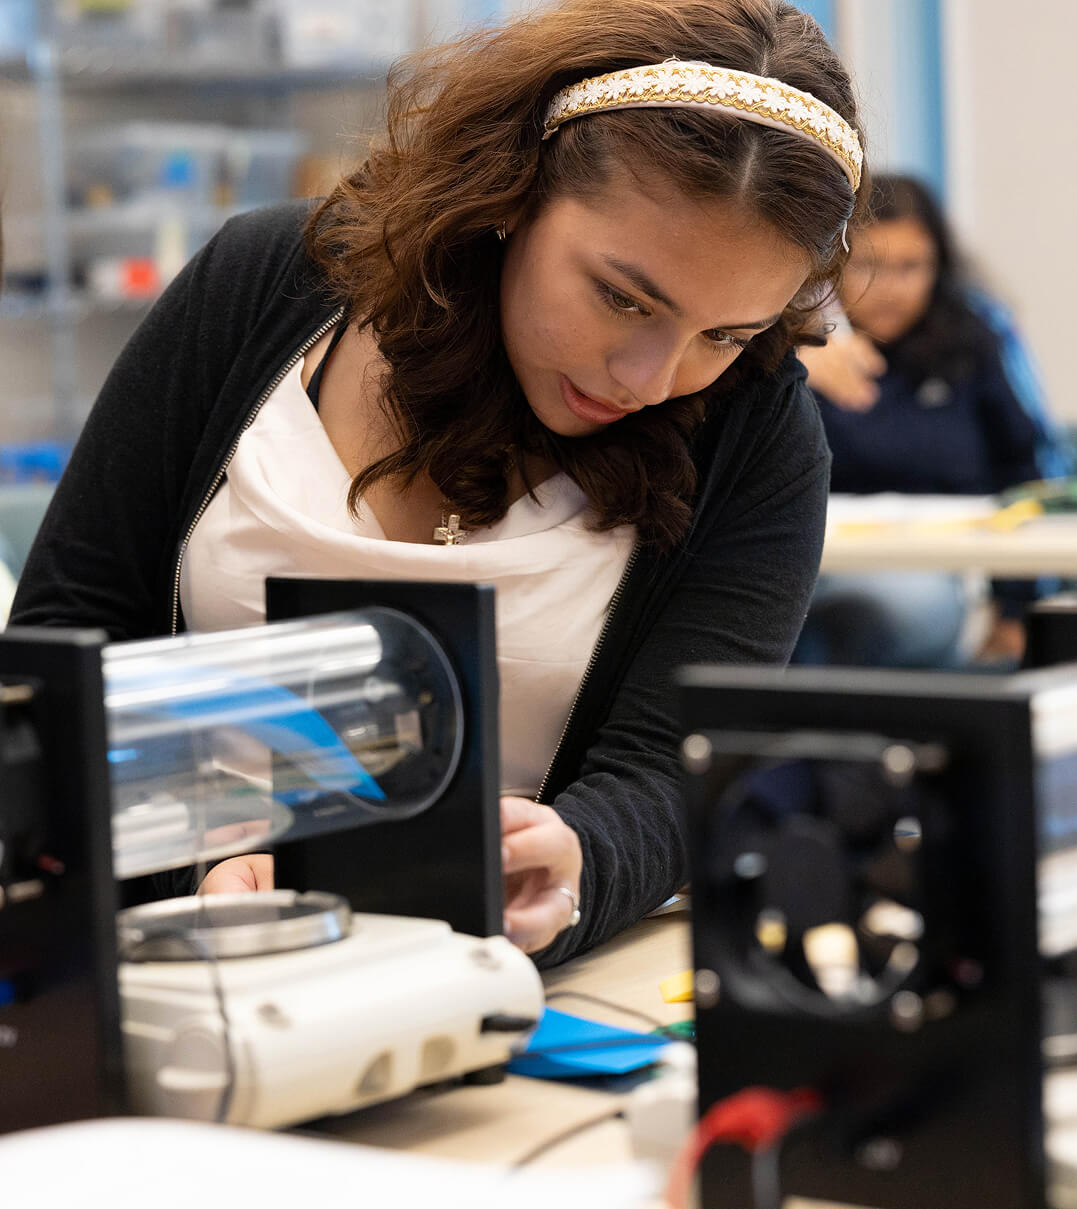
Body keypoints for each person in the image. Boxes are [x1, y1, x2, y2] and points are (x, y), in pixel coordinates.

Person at [9, 0, 865, 966]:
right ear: (510, 193)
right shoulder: (260, 285)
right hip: (161, 967)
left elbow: (674, 765)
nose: (650, 377)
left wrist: (575, 860)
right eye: (622, 297)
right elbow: (59, 655)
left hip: (494, 987)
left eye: (726, 334)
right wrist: (190, 874)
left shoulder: (754, 426)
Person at [796, 173, 1070, 670]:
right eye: (867, 265)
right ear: (829, 267)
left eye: (912, 266)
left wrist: (1016, 610)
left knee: (894, 609)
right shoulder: (791, 345)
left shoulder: (977, 340)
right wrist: (790, 365)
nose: (890, 288)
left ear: (940, 265)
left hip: (936, 576)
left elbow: (1027, 467)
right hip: (807, 562)